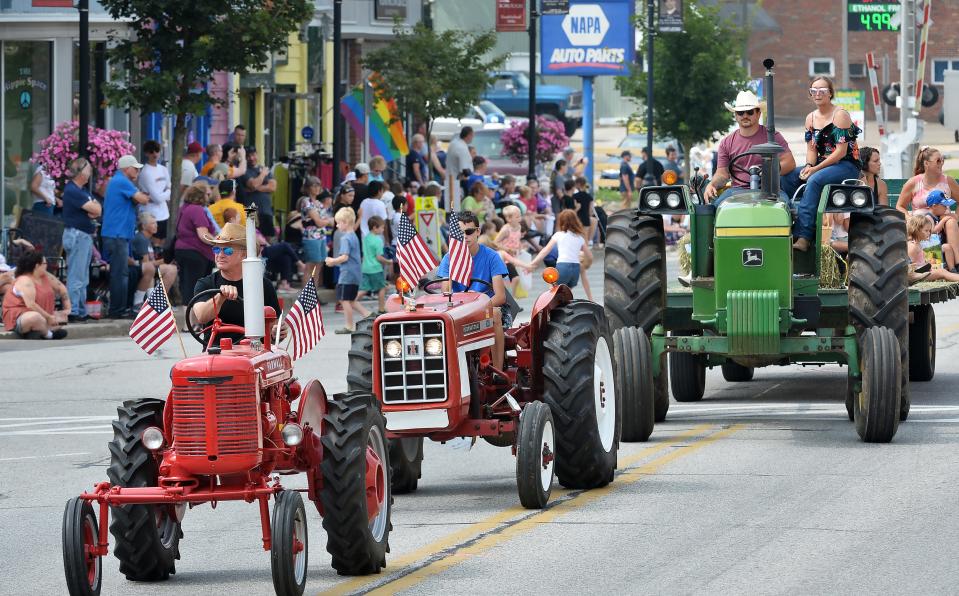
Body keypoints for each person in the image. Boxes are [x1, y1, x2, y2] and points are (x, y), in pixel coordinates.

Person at [792, 76, 863, 252]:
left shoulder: (840, 115)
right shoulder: (810, 118)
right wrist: (809, 165)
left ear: (830, 93)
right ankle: (784, 228)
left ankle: (804, 237)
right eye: (813, 90)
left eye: (822, 90)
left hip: (846, 165)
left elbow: (840, 152)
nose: (817, 94)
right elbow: (811, 149)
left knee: (815, 180)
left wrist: (814, 169)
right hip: (821, 164)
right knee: (786, 177)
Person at [437, 211, 510, 372]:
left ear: (478, 231)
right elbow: (446, 293)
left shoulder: (492, 257)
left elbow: (500, 296)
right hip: (458, 310)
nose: (465, 236)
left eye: (469, 232)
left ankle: (497, 371)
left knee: (496, 314)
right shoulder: (449, 258)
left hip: (486, 307)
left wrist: (476, 309)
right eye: (459, 233)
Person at [190, 223, 282, 345]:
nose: (220, 255)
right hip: (216, 354)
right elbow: (201, 316)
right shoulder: (205, 283)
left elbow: (273, 328)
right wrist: (220, 297)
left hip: (252, 354)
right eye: (216, 249)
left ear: (244, 254)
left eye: (227, 250)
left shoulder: (263, 285)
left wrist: (277, 333)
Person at [704, 90, 796, 204]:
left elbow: (790, 162)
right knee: (714, 210)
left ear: (758, 113)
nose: (745, 116)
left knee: (785, 210)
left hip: (770, 190)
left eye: (749, 112)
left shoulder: (773, 136)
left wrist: (768, 174)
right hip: (736, 191)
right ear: (736, 116)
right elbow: (722, 174)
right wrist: (712, 184)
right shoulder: (726, 143)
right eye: (741, 113)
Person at [102, 155, 150, 318]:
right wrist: (144, 196)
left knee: (122, 272)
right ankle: (117, 310)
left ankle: (120, 308)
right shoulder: (122, 181)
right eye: (135, 168)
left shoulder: (118, 182)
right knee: (119, 273)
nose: (137, 171)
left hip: (119, 234)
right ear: (126, 168)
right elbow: (142, 199)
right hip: (117, 235)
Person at [60, 157, 101, 322]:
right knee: (76, 274)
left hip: (83, 235)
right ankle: (73, 310)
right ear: (80, 171)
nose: (90, 171)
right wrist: (93, 208)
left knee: (83, 276)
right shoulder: (73, 190)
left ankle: (81, 310)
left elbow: (98, 209)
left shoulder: (83, 191)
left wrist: (94, 208)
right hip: (77, 235)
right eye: (88, 168)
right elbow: (93, 208)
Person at [1, 251, 69, 339]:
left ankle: (36, 332)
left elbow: (61, 287)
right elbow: (31, 304)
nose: (46, 265)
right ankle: (49, 335)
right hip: (21, 317)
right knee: (35, 317)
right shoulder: (25, 280)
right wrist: (48, 317)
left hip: (43, 315)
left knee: (62, 317)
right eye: (44, 263)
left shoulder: (45, 276)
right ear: (37, 266)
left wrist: (68, 309)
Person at [325, 208, 370, 333]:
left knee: (344, 300)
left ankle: (349, 326)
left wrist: (332, 261)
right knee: (351, 300)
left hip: (347, 273)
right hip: (355, 272)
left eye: (338, 223)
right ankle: (368, 315)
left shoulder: (345, 238)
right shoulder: (354, 236)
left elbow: (344, 257)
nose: (337, 225)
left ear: (345, 222)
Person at [525, 210, 590, 292]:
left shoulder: (558, 235)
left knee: (552, 291)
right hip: (575, 270)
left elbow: (545, 251)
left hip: (563, 266)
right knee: (567, 293)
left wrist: (533, 263)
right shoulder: (579, 238)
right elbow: (589, 256)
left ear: (561, 221)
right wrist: (586, 264)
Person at [174, 184, 216, 303]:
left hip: (182, 250)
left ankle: (190, 317)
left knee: (186, 286)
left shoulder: (184, 208)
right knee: (195, 288)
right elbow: (203, 234)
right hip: (196, 252)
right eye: (207, 194)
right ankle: (194, 320)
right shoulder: (196, 209)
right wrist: (218, 243)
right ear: (200, 195)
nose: (209, 197)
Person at [131, 213, 178, 309]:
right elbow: (145, 263)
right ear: (144, 226)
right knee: (171, 269)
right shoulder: (141, 239)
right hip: (141, 269)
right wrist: (164, 261)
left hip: (151, 268)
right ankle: (155, 301)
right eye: (152, 223)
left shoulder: (148, 239)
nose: (156, 225)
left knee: (172, 268)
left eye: (156, 223)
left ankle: (158, 300)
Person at [897, 146, 959, 217]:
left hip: (944, 224)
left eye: (943, 160)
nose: (941, 163)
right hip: (921, 225)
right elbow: (900, 206)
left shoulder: (948, 181)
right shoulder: (913, 182)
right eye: (938, 161)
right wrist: (909, 219)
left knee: (951, 223)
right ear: (926, 163)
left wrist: (956, 217)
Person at [907, 215, 959, 282]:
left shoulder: (918, 244)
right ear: (916, 230)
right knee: (942, 272)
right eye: (926, 231)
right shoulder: (912, 246)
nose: (929, 233)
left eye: (929, 231)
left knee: (943, 271)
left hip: (924, 272)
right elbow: (911, 269)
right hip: (920, 276)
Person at [138, 140, 172, 240]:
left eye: (157, 151)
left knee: (163, 242)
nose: (155, 154)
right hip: (151, 214)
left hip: (164, 213)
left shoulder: (163, 169)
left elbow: (169, 191)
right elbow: (157, 198)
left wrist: (166, 193)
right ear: (146, 153)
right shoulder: (146, 172)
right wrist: (167, 192)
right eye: (151, 152)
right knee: (153, 243)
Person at [239, 147, 276, 237]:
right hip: (251, 210)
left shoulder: (264, 168)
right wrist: (263, 174)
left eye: (253, 155)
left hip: (266, 210)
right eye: (248, 156)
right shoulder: (245, 171)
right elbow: (253, 184)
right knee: (252, 239)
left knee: (269, 239)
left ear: (257, 154)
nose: (251, 158)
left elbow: (272, 187)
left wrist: (254, 188)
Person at [358, 216, 391, 313]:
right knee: (382, 288)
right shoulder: (378, 240)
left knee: (364, 288)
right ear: (374, 228)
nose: (383, 229)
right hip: (375, 268)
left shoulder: (366, 238)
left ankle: (352, 301)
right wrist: (389, 262)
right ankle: (381, 309)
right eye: (382, 227)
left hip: (365, 267)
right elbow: (379, 257)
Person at [493, 204, 525, 294]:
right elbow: (495, 242)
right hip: (506, 259)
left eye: (520, 216)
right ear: (509, 219)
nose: (520, 218)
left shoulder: (519, 226)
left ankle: (510, 297)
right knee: (515, 278)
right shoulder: (506, 229)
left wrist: (520, 246)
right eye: (517, 217)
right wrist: (507, 249)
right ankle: (512, 298)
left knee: (512, 279)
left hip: (514, 257)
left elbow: (517, 239)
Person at [926, 191, 959, 271]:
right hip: (932, 249)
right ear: (934, 206)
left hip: (939, 246)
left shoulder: (937, 216)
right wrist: (943, 221)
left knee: (947, 247)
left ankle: (952, 268)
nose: (946, 208)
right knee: (946, 247)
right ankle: (952, 269)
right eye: (944, 206)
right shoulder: (928, 217)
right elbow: (933, 231)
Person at [446, 126, 474, 209]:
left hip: (450, 177)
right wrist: (472, 176)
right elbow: (465, 170)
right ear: (469, 135)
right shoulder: (462, 148)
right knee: (456, 207)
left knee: (451, 206)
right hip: (458, 182)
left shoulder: (454, 143)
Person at [571, 176, 596, 244]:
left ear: (578, 184)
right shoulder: (589, 197)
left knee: (576, 239)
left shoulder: (574, 196)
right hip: (586, 219)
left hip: (577, 219)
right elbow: (590, 212)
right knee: (585, 240)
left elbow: (573, 207)